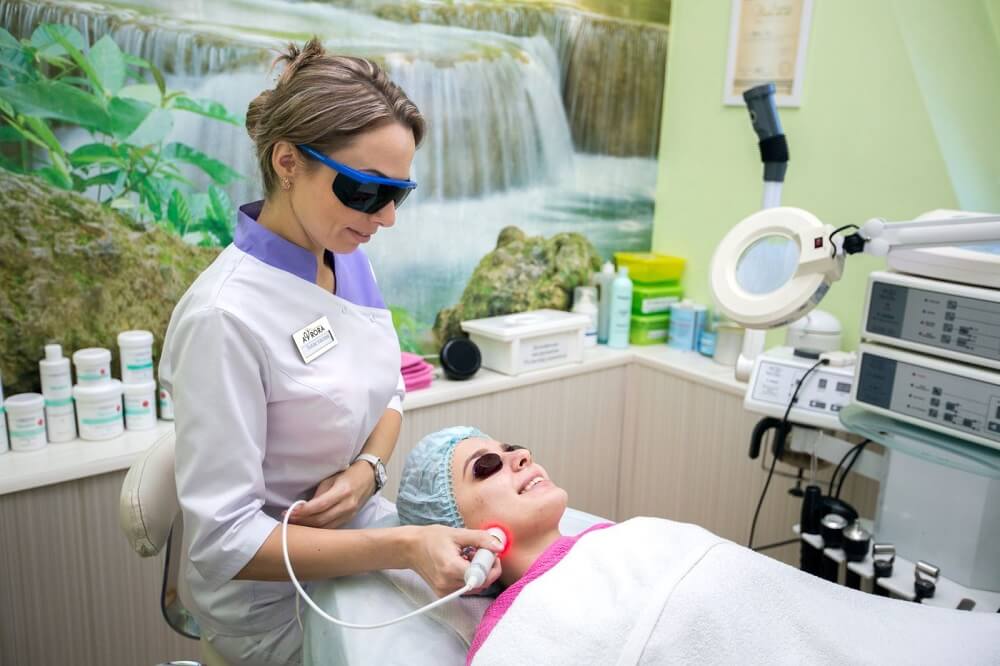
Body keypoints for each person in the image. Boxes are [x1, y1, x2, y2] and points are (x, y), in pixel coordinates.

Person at [158, 41, 501, 666]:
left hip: (363, 544)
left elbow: (389, 387)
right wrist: (403, 546)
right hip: (272, 607)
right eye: (366, 190)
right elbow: (224, 541)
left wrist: (369, 469)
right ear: (288, 161)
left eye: (399, 192)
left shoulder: (346, 256)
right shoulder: (223, 318)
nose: (387, 217)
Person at [397, 427, 1000, 666]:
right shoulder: (520, 636)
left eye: (512, 447)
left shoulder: (634, 537)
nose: (520, 456)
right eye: (486, 466)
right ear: (460, 535)